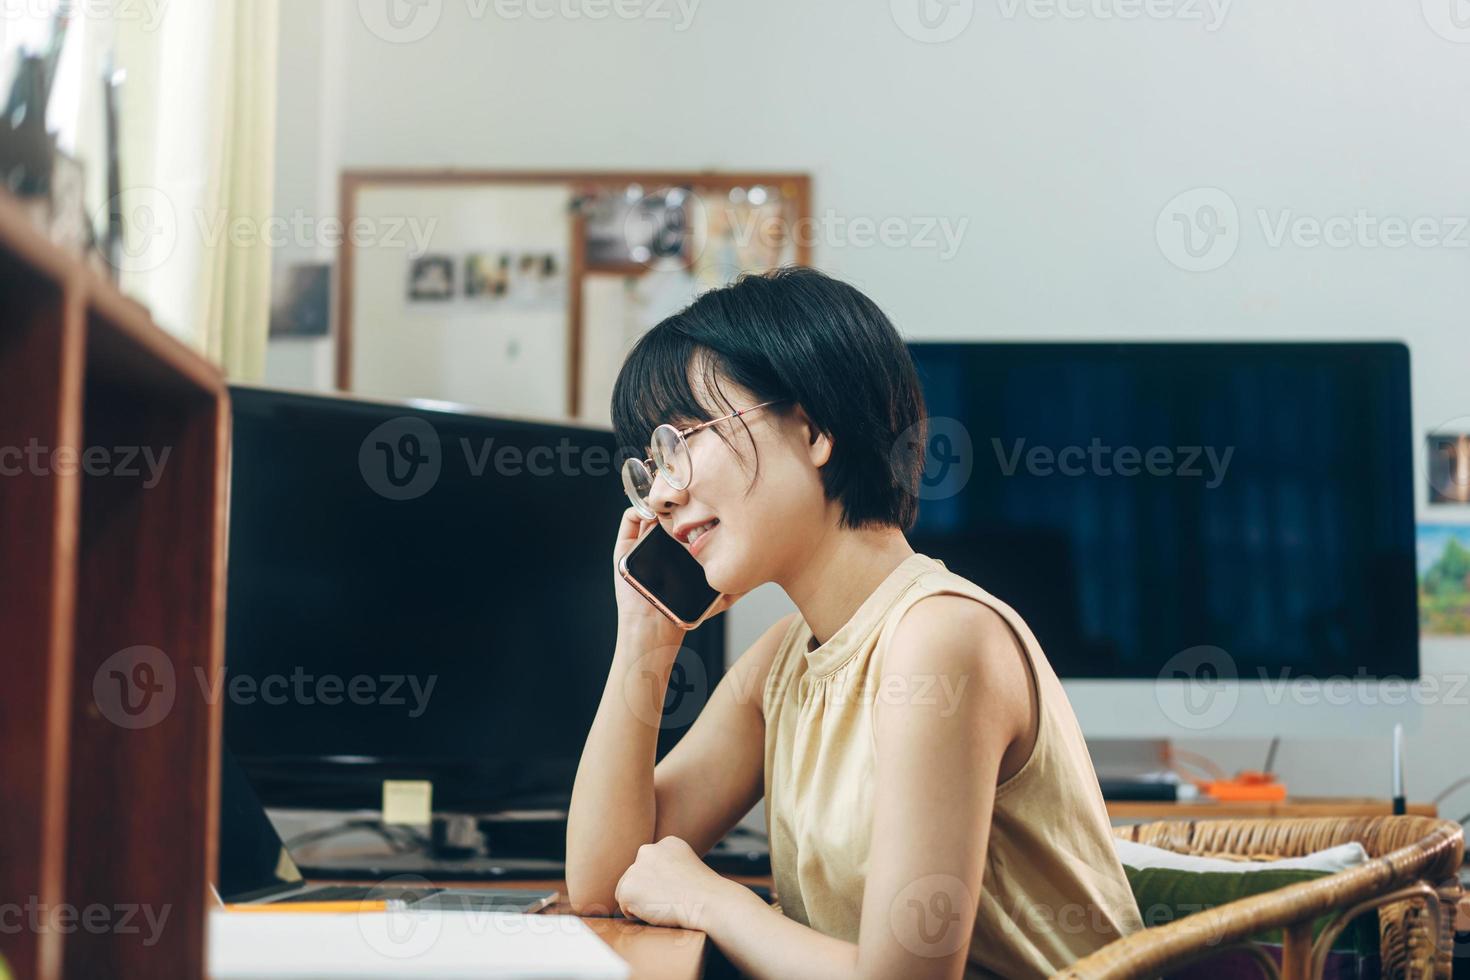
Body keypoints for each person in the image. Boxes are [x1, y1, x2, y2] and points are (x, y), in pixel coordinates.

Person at [566, 267, 1141, 979]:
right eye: (650, 464)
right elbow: (605, 881)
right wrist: (645, 640)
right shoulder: (784, 660)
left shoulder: (939, 638)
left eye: (684, 439)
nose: (661, 493)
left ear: (812, 431)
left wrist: (714, 901)